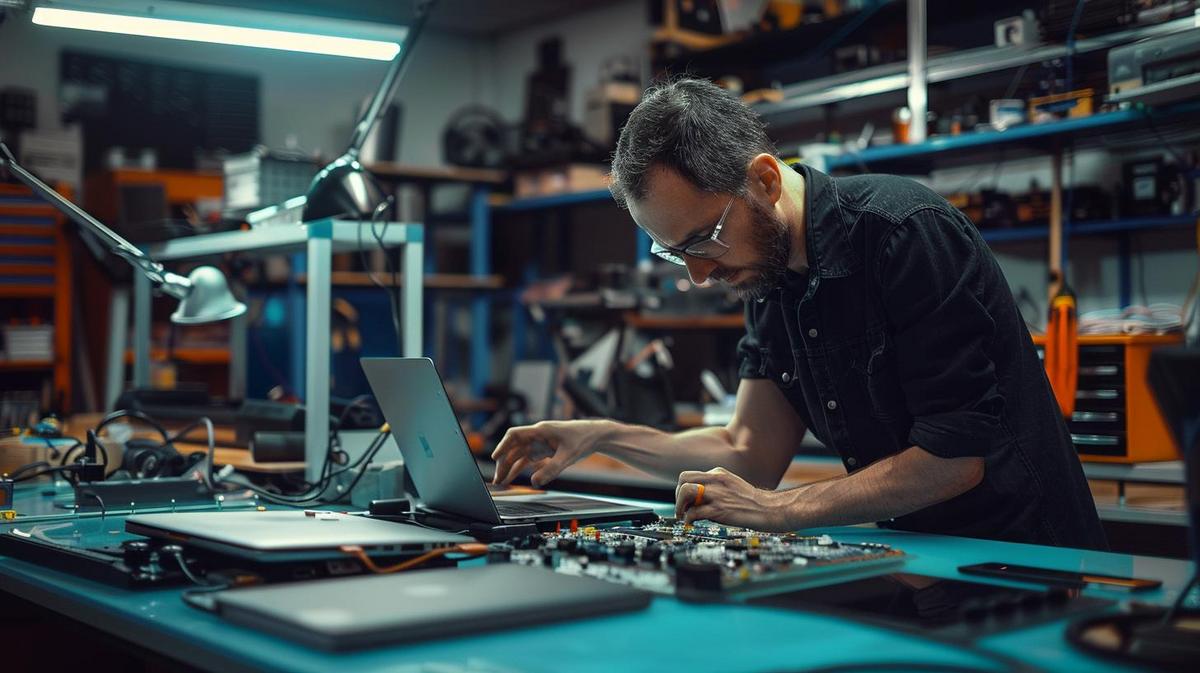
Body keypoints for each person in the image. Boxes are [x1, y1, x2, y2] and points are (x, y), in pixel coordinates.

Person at [491, 78, 1107, 550]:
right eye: (676, 253)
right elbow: (748, 453)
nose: (699, 274)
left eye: (703, 240)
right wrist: (601, 435)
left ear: (762, 179)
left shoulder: (904, 233)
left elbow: (953, 460)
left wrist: (780, 510)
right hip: (923, 556)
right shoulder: (767, 275)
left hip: (1027, 560)